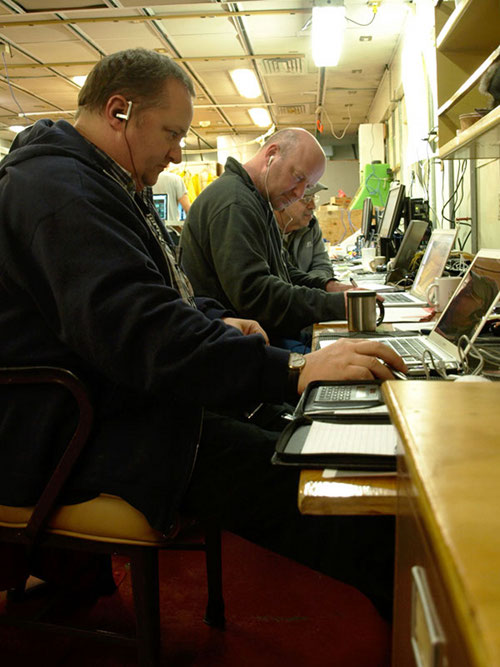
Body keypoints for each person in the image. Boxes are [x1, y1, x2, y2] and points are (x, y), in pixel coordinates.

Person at [0, 48, 406, 617]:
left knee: (312, 444)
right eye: (170, 132)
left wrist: (214, 319)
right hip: (76, 429)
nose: (176, 151)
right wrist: (290, 370)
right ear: (119, 112)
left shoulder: (101, 182)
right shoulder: (59, 190)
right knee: (343, 510)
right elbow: (142, 332)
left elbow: (161, 294)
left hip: (116, 401)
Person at [180, 129, 351, 347]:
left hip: (268, 336)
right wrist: (337, 305)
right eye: (298, 178)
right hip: (244, 346)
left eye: (307, 187)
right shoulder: (235, 202)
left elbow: (283, 272)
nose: (299, 193)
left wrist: (328, 287)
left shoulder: (257, 200)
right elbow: (256, 295)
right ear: (271, 154)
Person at [275, 182, 338, 282]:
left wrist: (307, 284)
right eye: (306, 199)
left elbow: (323, 266)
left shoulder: (311, 224)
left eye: (314, 198)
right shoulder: (264, 229)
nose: (313, 206)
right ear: (282, 202)